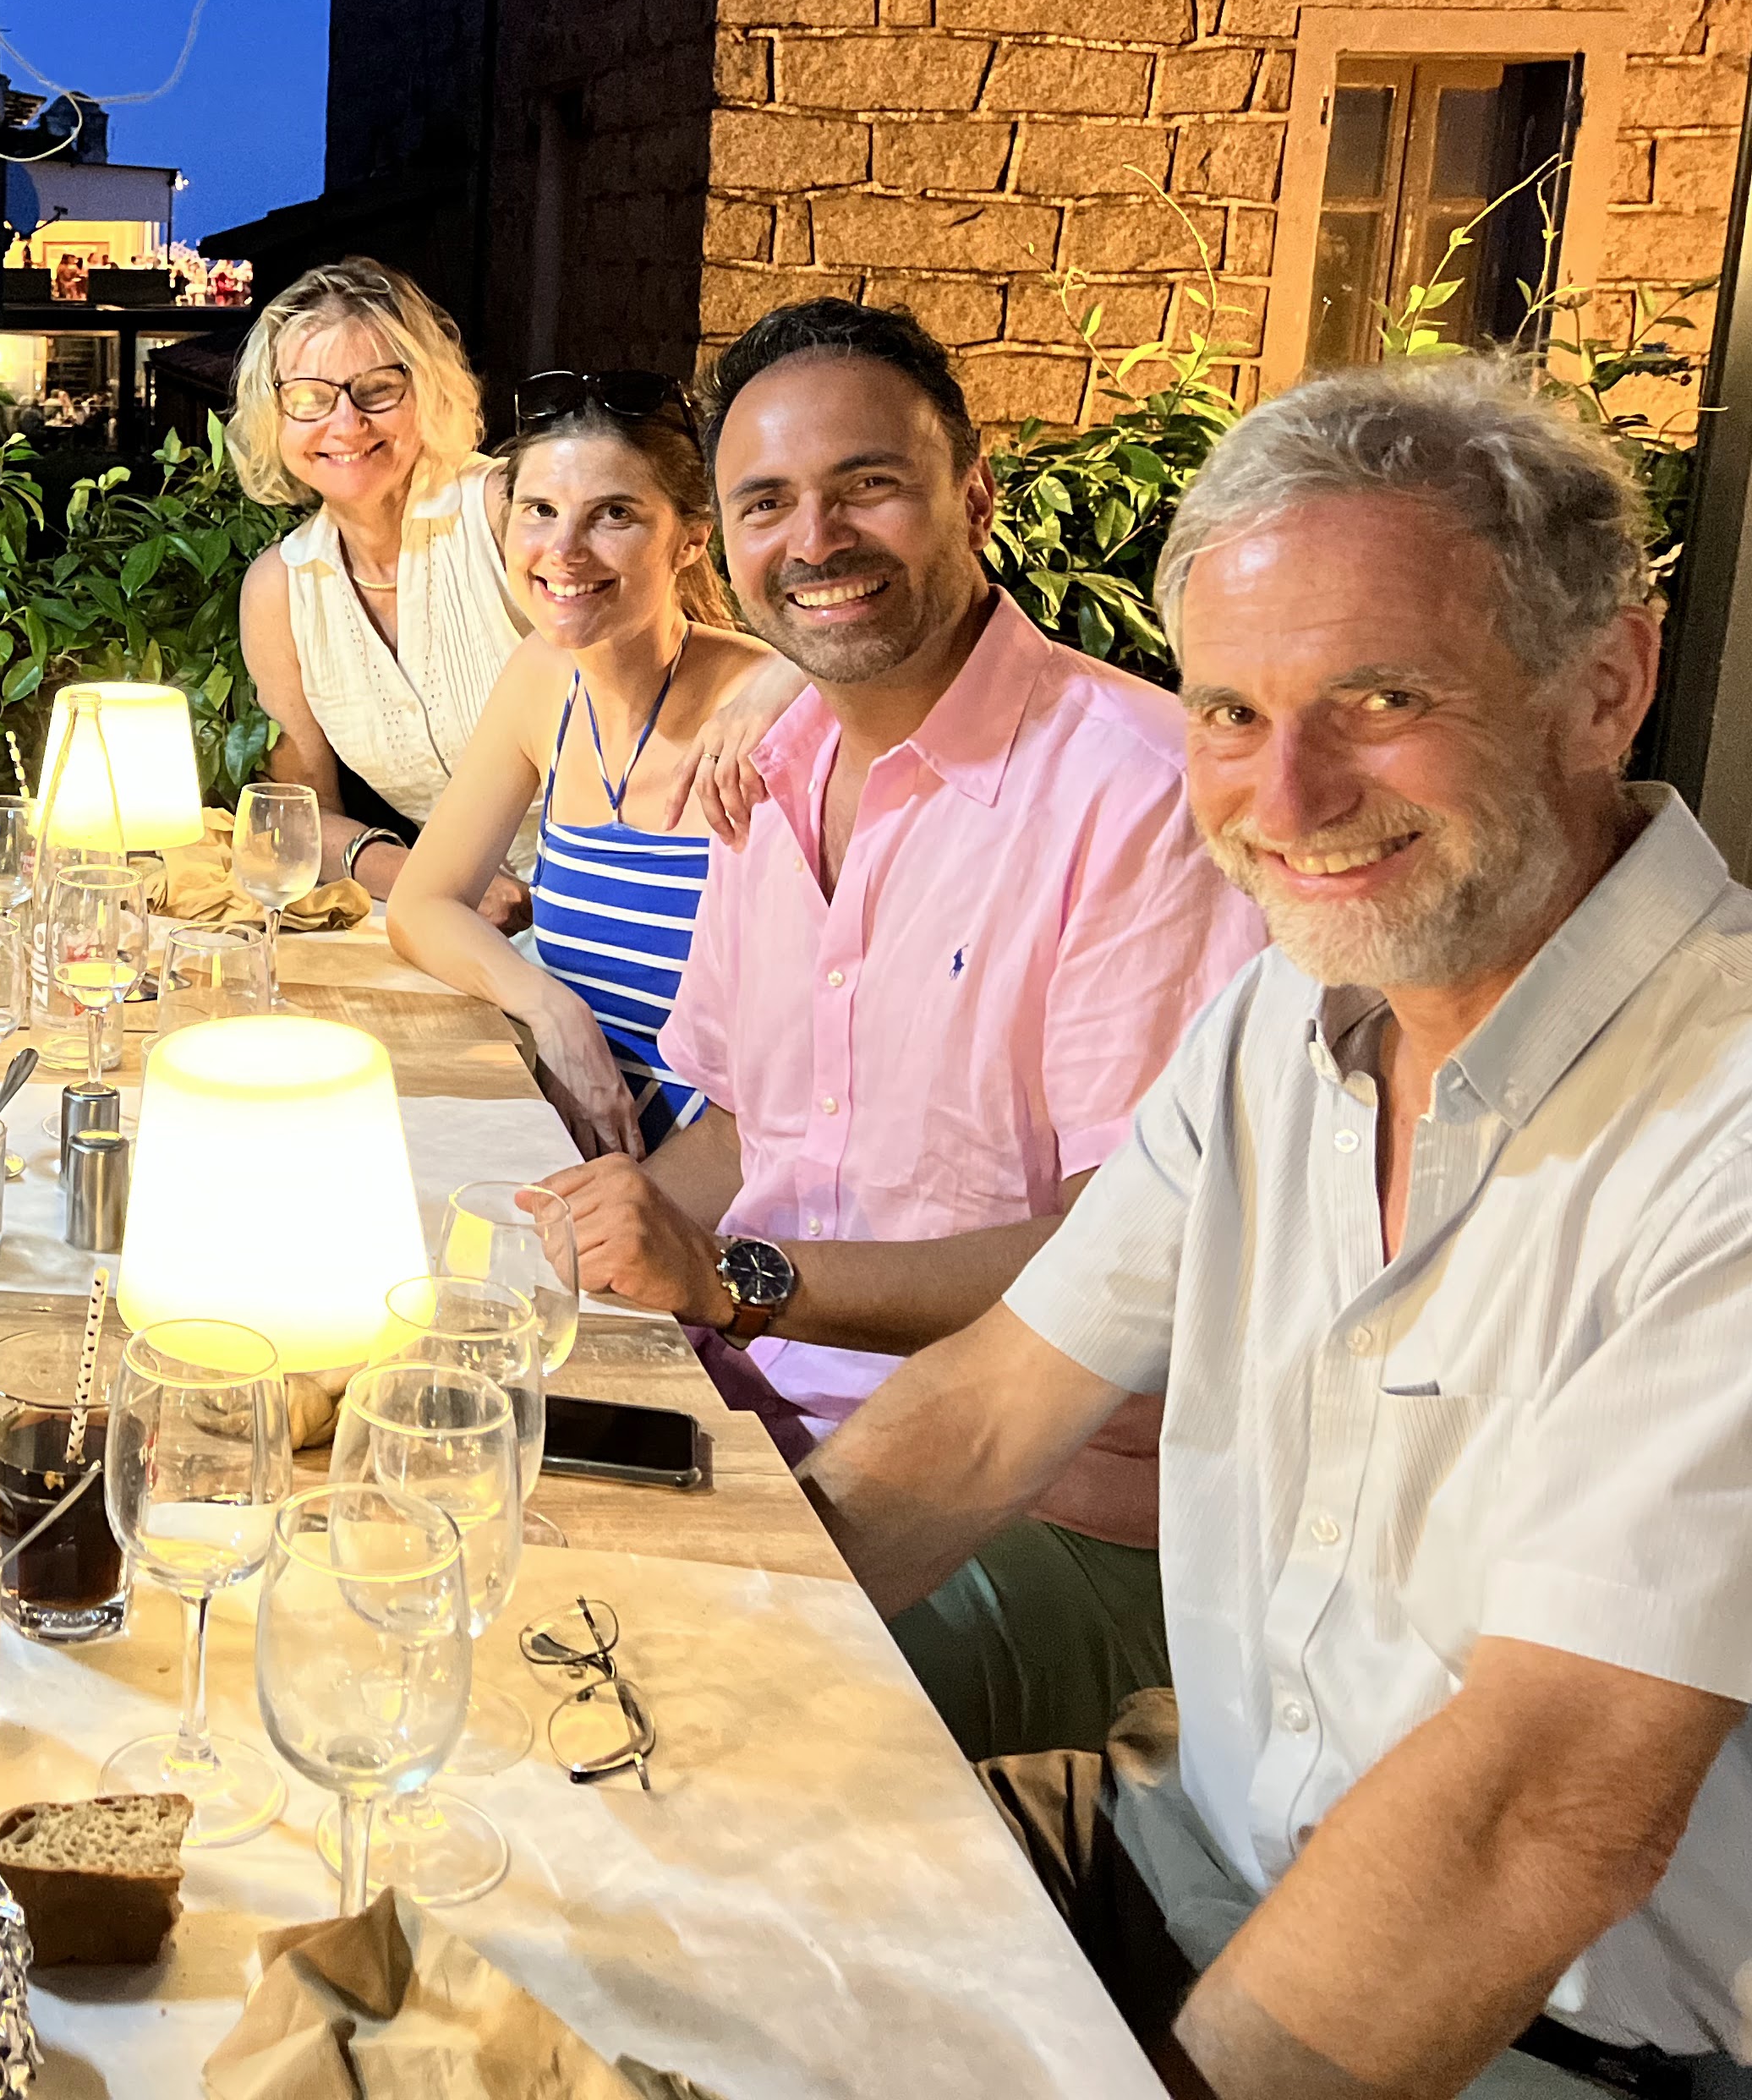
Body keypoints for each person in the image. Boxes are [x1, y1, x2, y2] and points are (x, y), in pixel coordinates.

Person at [811, 364, 1752, 2099]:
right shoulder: (1282, 1019)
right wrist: (683, 1630)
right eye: (1231, 712)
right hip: (1179, 1872)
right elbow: (993, 1407)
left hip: (1514, 2044)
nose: (1288, 796)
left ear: (1607, 684)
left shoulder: (1724, 1120)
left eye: (1381, 697)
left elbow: (1542, 1812)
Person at [548, 298, 1264, 1761]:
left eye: (866, 484)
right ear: (726, 541)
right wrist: (566, 1277)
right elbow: (747, 1126)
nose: (815, 539)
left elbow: (1131, 1259)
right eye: (767, 502)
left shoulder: (1133, 795)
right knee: (409, 1514)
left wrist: (736, 1282)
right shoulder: (774, 766)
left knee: (666, 1740)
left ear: (973, 496)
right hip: (754, 1411)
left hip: (1043, 1504)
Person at [385, 370, 799, 1157]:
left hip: (725, 1174)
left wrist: (802, 674)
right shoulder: (543, 679)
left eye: (615, 514)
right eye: (540, 510)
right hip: (570, 1141)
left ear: (691, 539)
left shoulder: (766, 711)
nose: (564, 550)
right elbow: (422, 904)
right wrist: (551, 1009)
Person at [231, 258, 535, 926]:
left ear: (429, 393)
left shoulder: (507, 511)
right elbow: (299, 816)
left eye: (377, 389)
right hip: (465, 923)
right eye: (309, 396)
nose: (346, 423)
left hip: (631, 901)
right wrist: (430, 881)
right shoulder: (279, 590)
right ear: (273, 415)